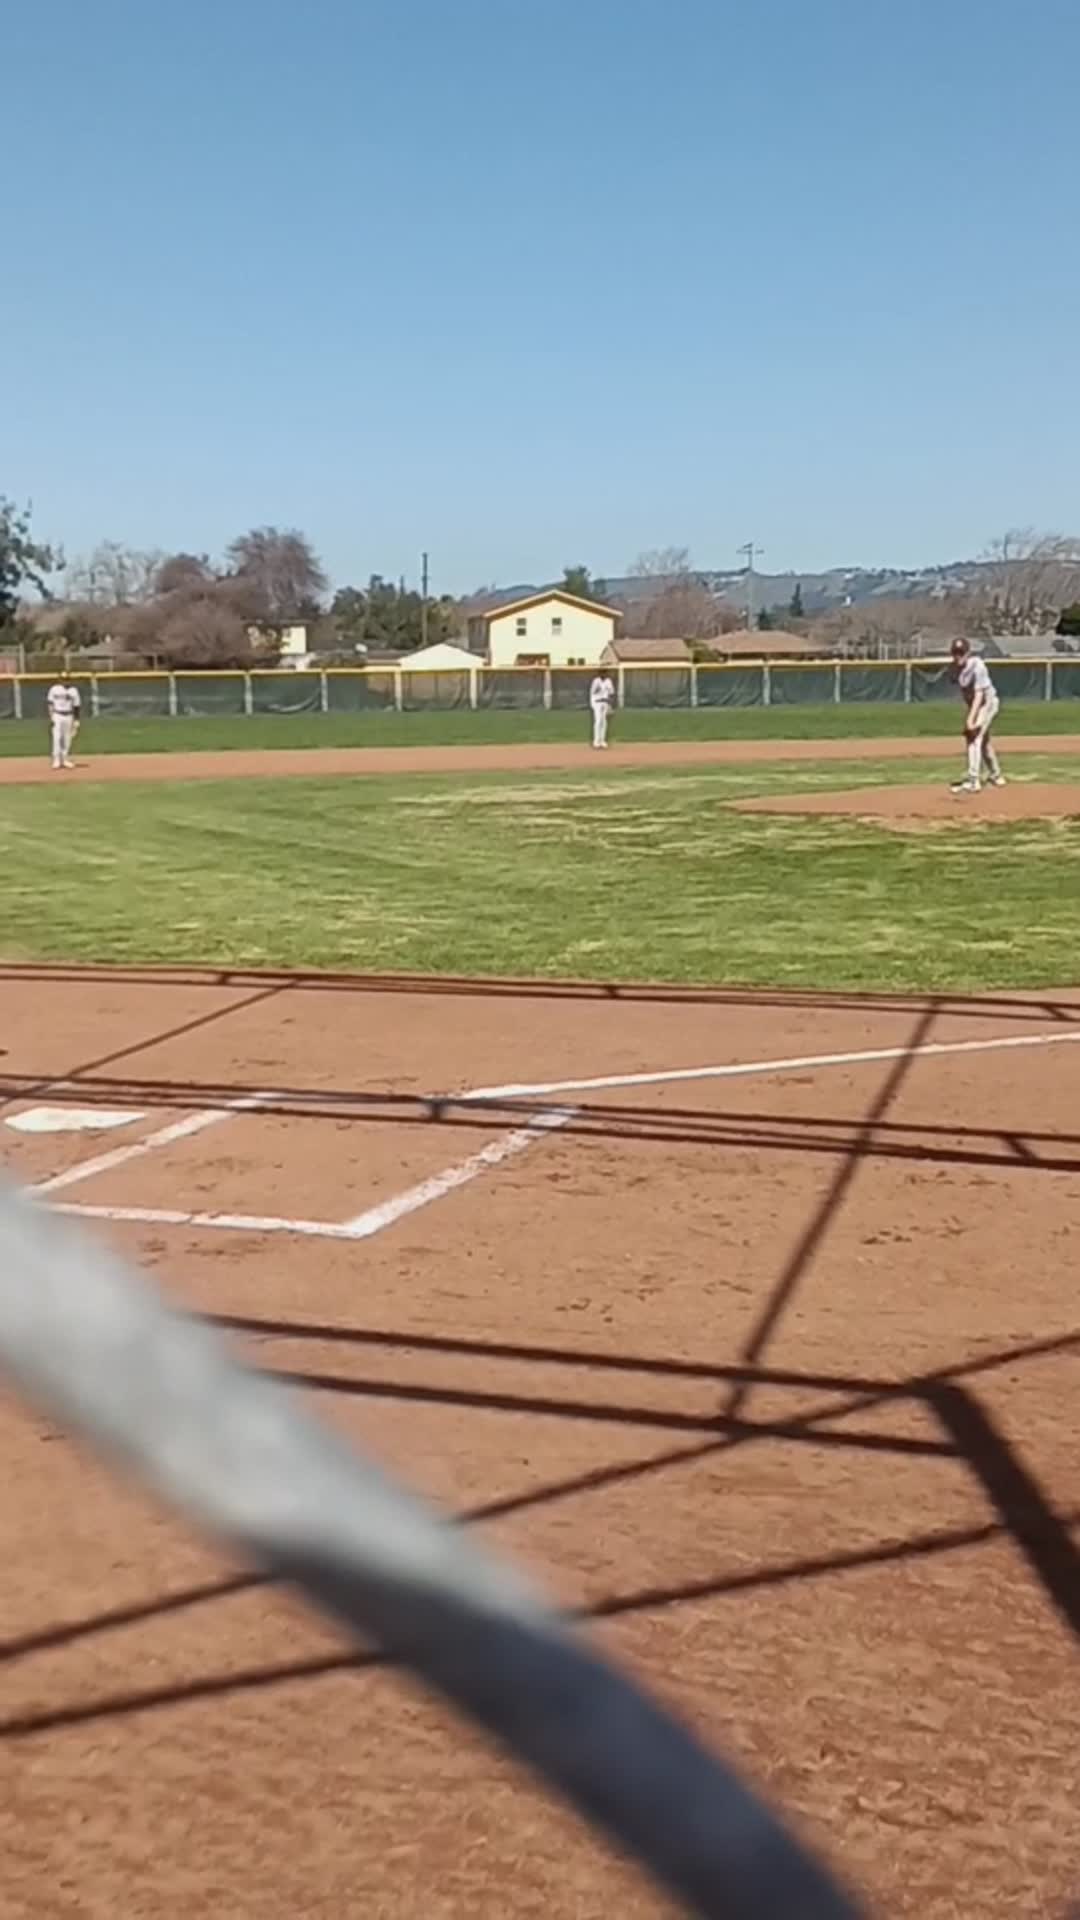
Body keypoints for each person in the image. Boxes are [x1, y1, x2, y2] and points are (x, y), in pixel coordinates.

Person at [950, 639, 1004, 795]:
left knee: (973, 737)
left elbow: (979, 695)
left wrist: (970, 720)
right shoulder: (954, 668)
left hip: (988, 703)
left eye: (961, 652)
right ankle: (996, 775)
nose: (958, 656)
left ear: (968, 653)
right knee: (984, 742)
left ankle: (973, 780)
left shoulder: (977, 666)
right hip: (975, 705)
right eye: (955, 652)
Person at [46, 672, 81, 771]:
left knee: (67, 739)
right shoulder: (54, 689)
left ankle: (65, 760)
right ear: (60, 679)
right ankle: (56, 760)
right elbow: (50, 703)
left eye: (66, 679)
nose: (65, 681)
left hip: (69, 715)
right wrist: (51, 716)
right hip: (57, 715)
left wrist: (77, 720)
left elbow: (77, 706)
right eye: (63, 679)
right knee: (56, 738)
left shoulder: (74, 691)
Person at [589, 670, 615, 750]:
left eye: (605, 673)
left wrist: (610, 705)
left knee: (604, 721)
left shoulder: (608, 681)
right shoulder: (596, 681)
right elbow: (593, 692)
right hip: (596, 703)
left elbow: (611, 693)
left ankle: (602, 741)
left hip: (605, 702)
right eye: (601, 673)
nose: (603, 675)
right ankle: (596, 742)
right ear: (599, 674)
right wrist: (598, 688)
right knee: (598, 721)